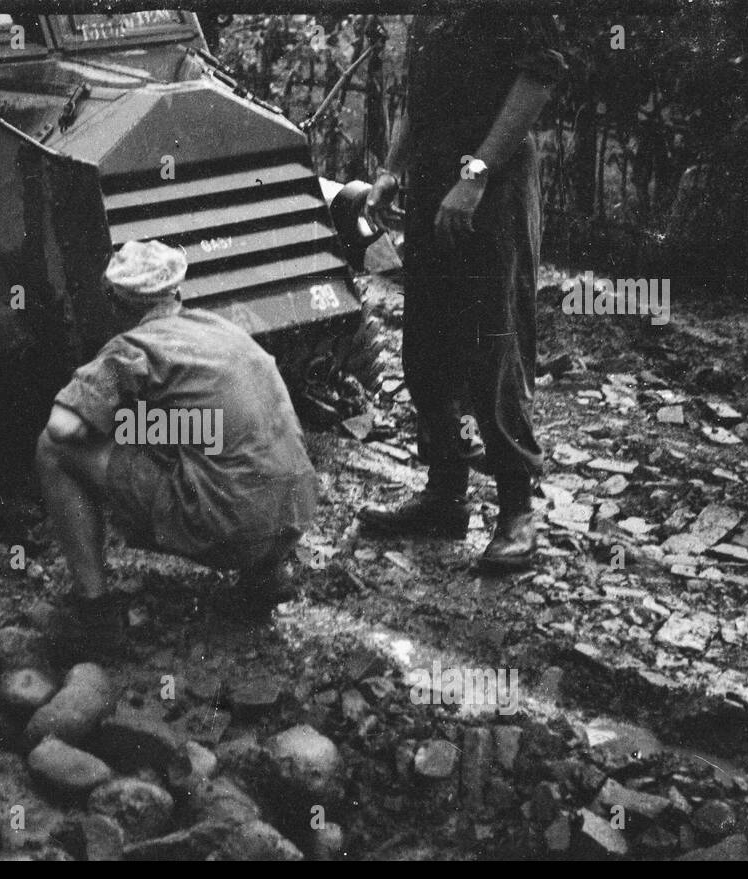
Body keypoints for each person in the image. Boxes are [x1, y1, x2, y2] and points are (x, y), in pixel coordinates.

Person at [36, 240, 318, 658]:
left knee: (50, 451)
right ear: (177, 292)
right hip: (296, 511)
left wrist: (122, 424)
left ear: (115, 302)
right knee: (232, 441)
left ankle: (93, 615)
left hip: (231, 525)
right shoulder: (220, 328)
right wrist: (153, 429)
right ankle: (267, 575)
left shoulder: (133, 347)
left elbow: (62, 428)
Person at [361, 13, 567, 571]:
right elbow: (419, 103)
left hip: (490, 188)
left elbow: (536, 82)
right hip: (433, 183)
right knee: (426, 343)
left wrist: (474, 177)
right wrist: (391, 169)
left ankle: (517, 513)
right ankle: (444, 494)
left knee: (492, 344)